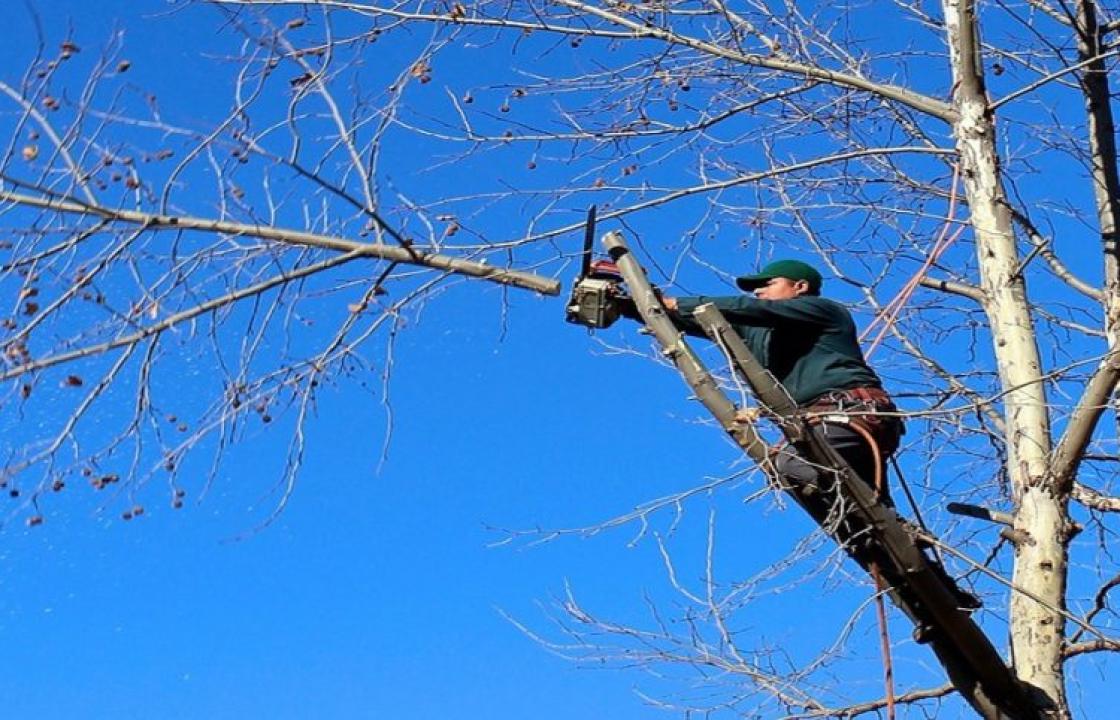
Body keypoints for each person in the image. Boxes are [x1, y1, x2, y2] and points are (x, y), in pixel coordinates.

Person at [655, 259, 904, 501]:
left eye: (769, 283)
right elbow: (700, 320)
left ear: (800, 286)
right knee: (861, 516)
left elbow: (751, 309)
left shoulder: (823, 310)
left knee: (792, 464)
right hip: (819, 423)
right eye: (756, 288)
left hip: (850, 412)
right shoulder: (758, 331)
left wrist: (677, 302)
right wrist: (640, 304)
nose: (759, 291)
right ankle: (882, 531)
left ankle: (863, 512)